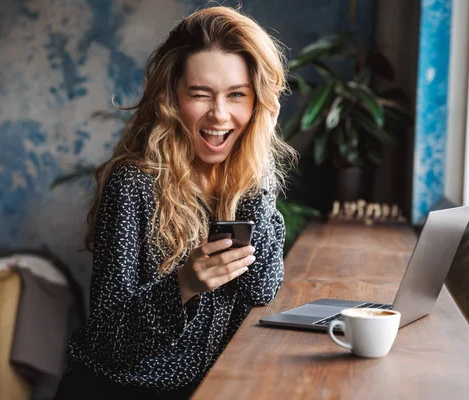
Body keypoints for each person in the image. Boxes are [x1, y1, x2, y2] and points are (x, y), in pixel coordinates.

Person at [54, 6, 296, 399]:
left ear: (259, 105)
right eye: (200, 95)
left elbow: (260, 287)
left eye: (237, 95)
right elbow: (107, 341)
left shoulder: (244, 180)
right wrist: (184, 284)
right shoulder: (134, 184)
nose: (219, 115)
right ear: (172, 97)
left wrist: (258, 154)